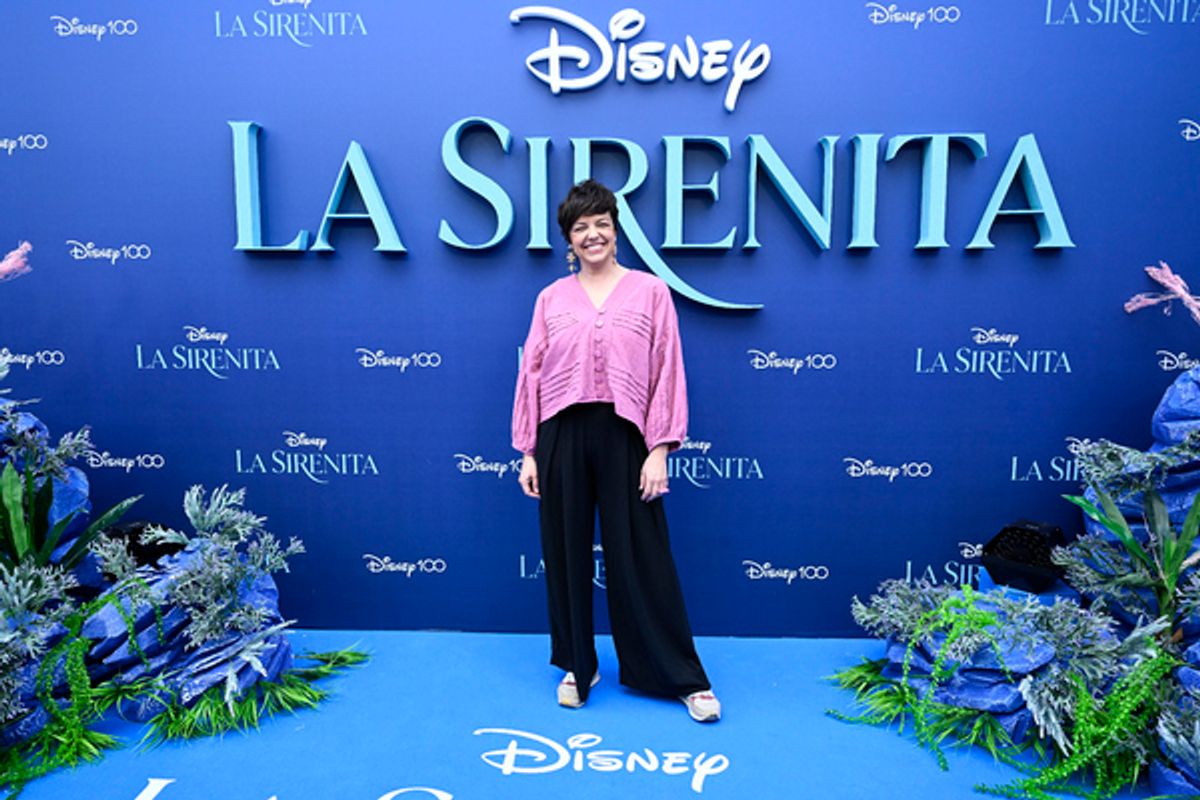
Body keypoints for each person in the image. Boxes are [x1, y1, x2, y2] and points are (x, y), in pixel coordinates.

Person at [511, 179, 720, 723]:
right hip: (561, 433)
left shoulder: (650, 292)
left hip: (628, 435)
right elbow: (530, 373)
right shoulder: (550, 299)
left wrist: (661, 449)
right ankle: (579, 665)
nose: (592, 234)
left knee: (643, 558)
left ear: (615, 230)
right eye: (581, 227)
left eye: (601, 223)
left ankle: (680, 676)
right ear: (569, 240)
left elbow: (668, 369)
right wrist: (528, 450)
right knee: (565, 554)